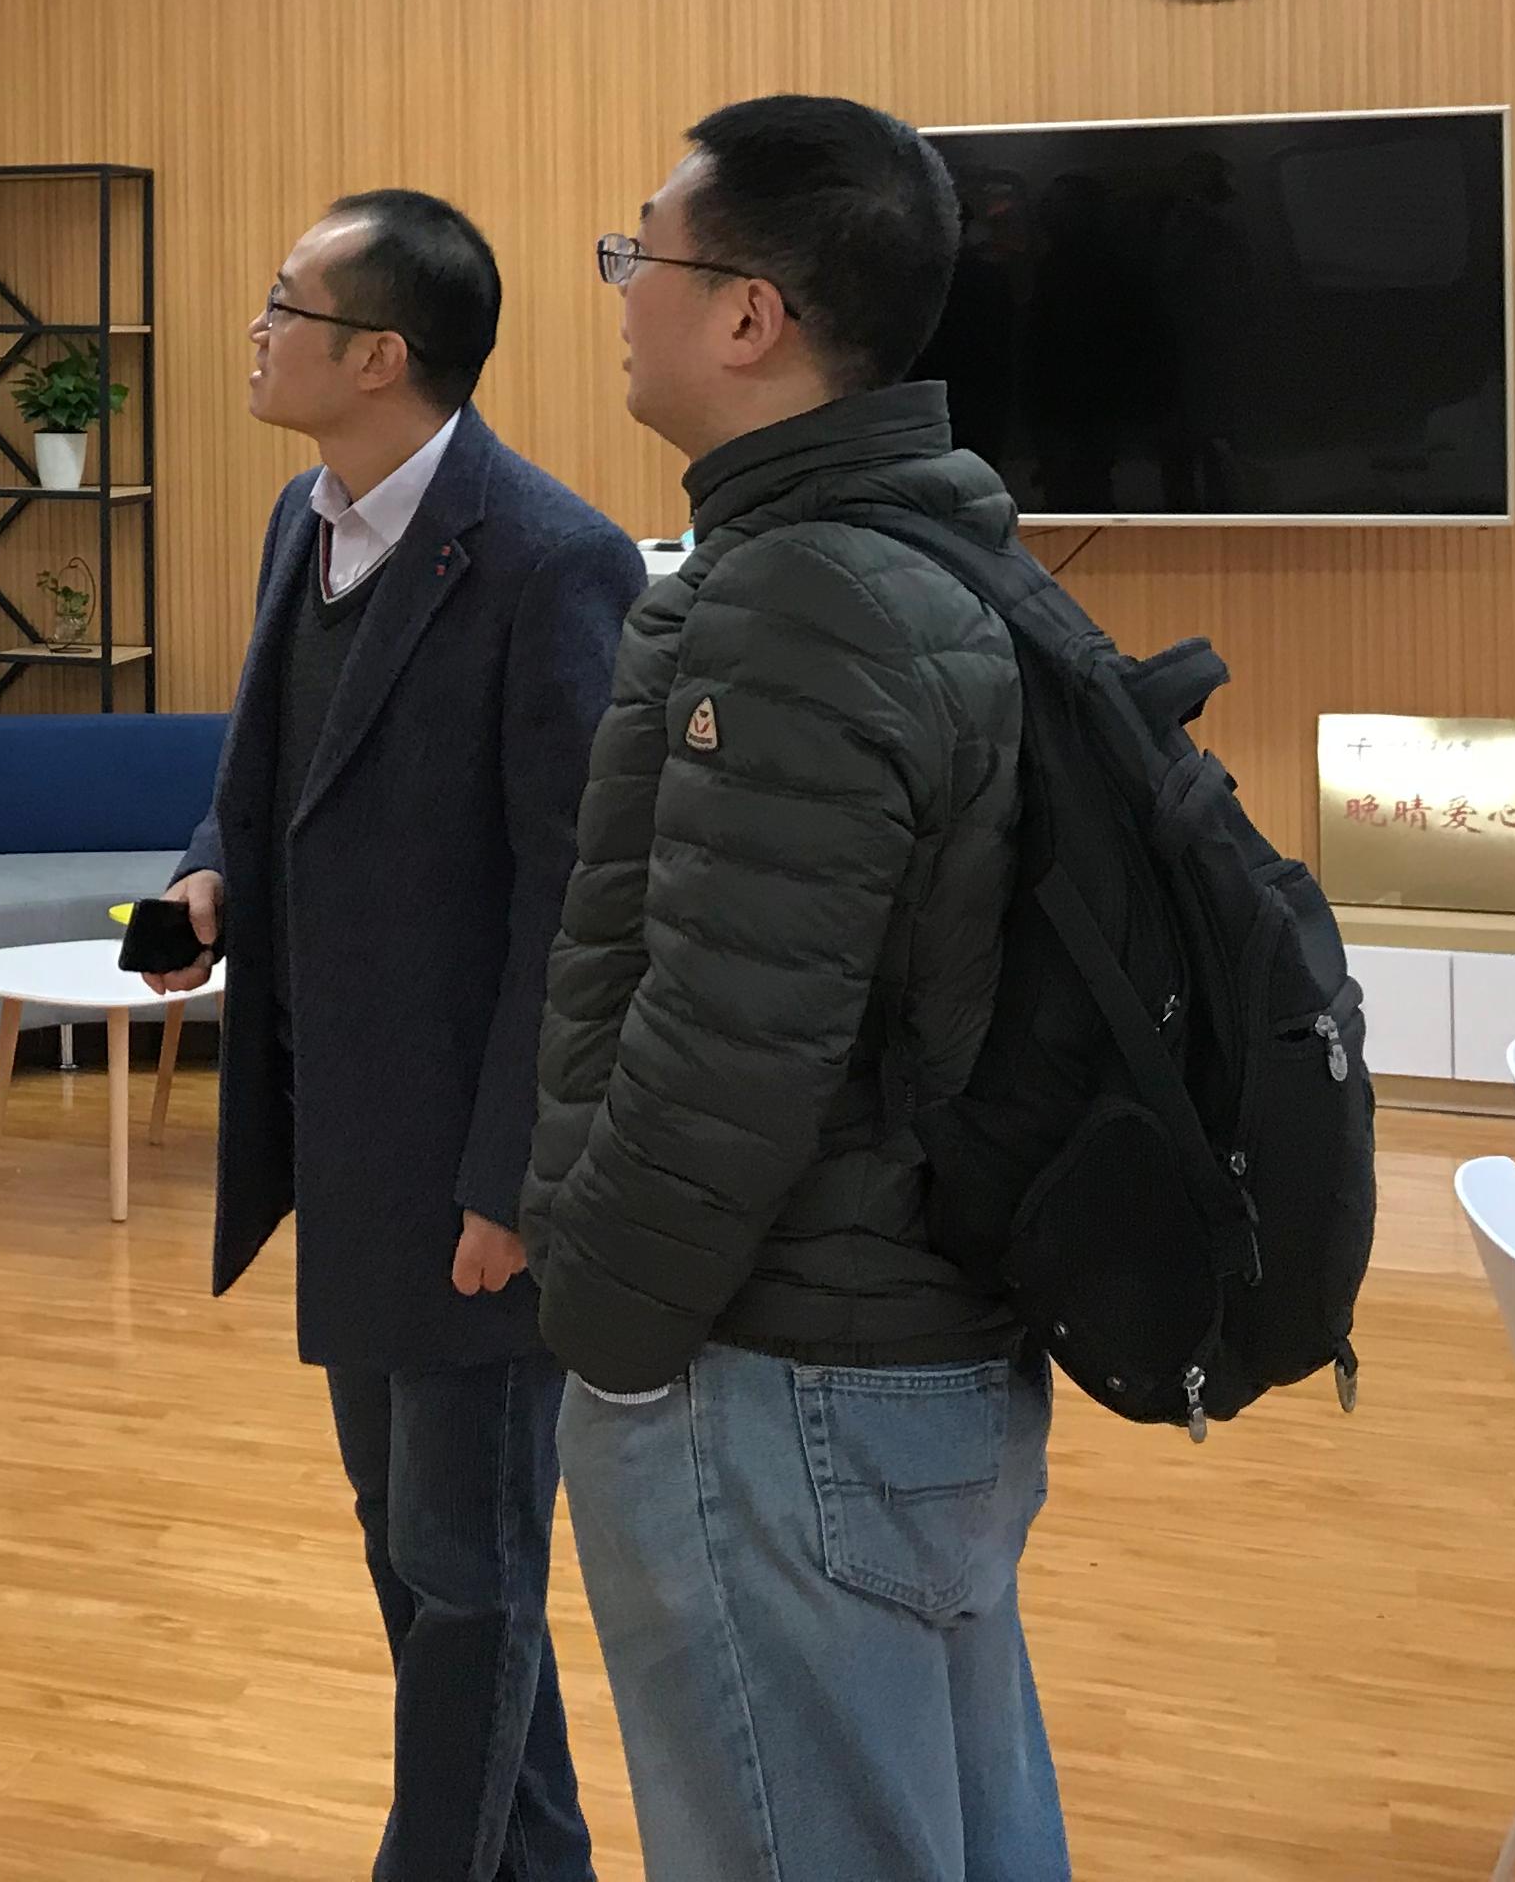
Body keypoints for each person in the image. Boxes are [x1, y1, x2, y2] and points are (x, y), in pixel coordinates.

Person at [521, 95, 1060, 1882]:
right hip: (895, 1351)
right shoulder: (916, 546)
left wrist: (603, 1331)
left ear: (749, 315)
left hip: (779, 1377)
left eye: (643, 253)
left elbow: (729, 1049)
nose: (620, 288)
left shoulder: (802, 600)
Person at [141, 189, 643, 1882]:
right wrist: (207, 875)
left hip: (472, 1174)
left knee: (465, 1570)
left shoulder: (549, 558)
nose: (256, 329)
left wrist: (516, 1179)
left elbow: (578, 903)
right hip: (346, 1148)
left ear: (380, 356)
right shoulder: (307, 518)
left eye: (286, 303)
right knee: (418, 1558)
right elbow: (269, 772)